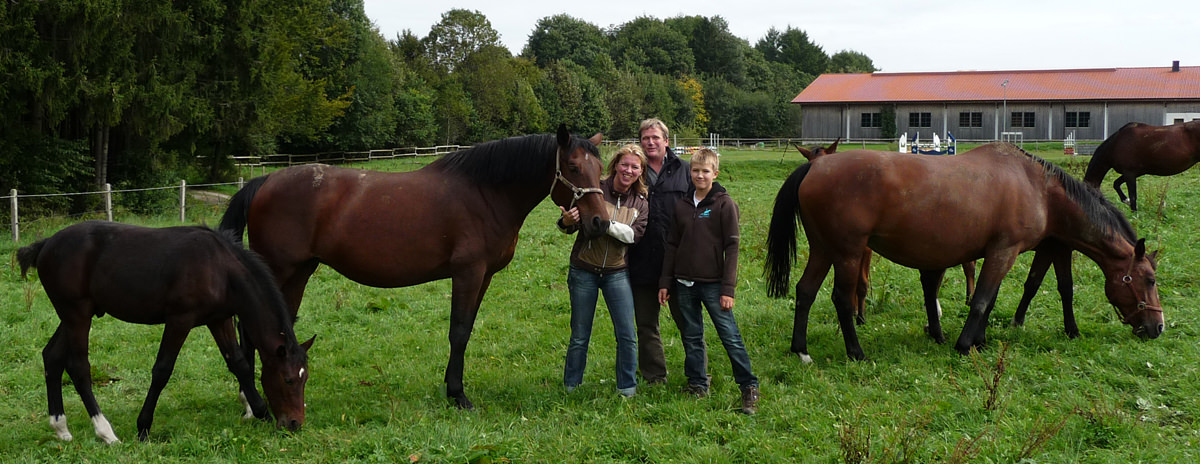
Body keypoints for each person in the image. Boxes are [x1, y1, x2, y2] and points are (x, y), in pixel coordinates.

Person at [657, 148, 759, 415]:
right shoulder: (681, 205)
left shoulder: (725, 205)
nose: (700, 175)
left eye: (705, 171)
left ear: (715, 173)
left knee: (730, 336)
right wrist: (665, 282)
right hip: (683, 284)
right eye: (695, 171)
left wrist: (728, 288)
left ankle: (748, 387)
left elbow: (733, 247)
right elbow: (672, 245)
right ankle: (697, 383)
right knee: (691, 336)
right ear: (689, 173)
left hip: (714, 285)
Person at [558, 144, 650, 397]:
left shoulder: (641, 202)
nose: (628, 170)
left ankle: (627, 387)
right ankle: (571, 386)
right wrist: (566, 223)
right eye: (624, 164)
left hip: (616, 273)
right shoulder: (594, 189)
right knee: (579, 334)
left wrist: (606, 224)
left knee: (627, 334)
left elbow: (633, 235)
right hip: (583, 270)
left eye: (634, 167)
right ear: (615, 165)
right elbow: (570, 224)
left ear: (640, 171)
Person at [626, 118, 696, 385]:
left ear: (667, 141)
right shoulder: (633, 171)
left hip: (678, 261)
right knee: (646, 325)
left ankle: (697, 376)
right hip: (641, 259)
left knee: (688, 322)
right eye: (645, 138)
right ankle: (655, 376)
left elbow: (705, 206)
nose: (650, 142)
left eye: (655, 138)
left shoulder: (686, 171)